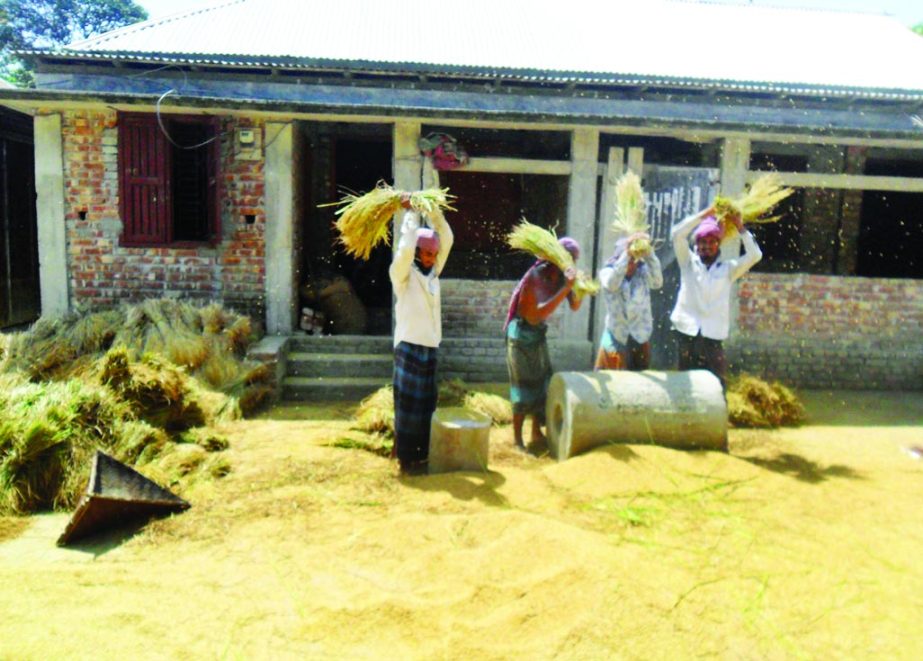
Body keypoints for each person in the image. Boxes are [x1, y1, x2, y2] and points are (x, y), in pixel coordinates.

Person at [389, 193, 454, 474]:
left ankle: (420, 454)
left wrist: (433, 211)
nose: (431, 258)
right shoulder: (402, 274)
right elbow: (404, 249)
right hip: (408, 346)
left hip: (429, 346)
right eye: (426, 253)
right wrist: (412, 215)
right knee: (407, 407)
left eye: (433, 254)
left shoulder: (433, 274)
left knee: (426, 405)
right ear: (417, 252)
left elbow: (447, 238)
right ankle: (406, 460)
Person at [504, 237, 582, 452]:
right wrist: (566, 288)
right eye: (570, 259)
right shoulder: (536, 276)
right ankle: (518, 441)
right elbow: (535, 315)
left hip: (537, 335)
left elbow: (575, 305)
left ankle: (536, 432)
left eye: (574, 261)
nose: (572, 264)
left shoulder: (560, 277)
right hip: (520, 335)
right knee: (522, 388)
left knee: (541, 384)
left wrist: (580, 287)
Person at [670, 205, 761, 388]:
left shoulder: (728, 269)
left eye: (711, 242)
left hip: (713, 334)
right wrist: (704, 215)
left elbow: (755, 255)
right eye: (702, 242)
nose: (706, 246)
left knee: (718, 383)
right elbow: (677, 235)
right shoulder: (688, 262)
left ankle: (720, 412)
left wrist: (740, 227)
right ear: (697, 245)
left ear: (718, 245)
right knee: (684, 381)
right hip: (686, 330)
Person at [595, 232, 663, 371]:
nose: (630, 264)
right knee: (613, 380)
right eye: (627, 259)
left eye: (634, 260)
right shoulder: (607, 273)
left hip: (640, 335)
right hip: (617, 334)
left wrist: (649, 252)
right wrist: (627, 252)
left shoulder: (642, 272)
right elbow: (612, 284)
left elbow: (657, 283)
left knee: (638, 385)